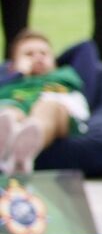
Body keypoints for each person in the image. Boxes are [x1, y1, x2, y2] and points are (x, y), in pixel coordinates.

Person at [0, 31, 89, 175]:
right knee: (8, 113)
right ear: (12, 65)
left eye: (44, 53)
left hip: (57, 113)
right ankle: (8, 147)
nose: (38, 57)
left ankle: (22, 152)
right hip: (17, 107)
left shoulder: (64, 76)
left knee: (47, 108)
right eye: (29, 54)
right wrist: (18, 74)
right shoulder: (10, 83)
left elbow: (87, 47)